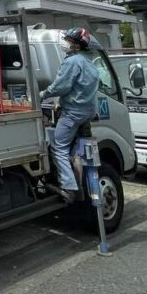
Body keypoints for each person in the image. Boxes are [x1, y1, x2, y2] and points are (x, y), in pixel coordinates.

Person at [39, 27, 99, 202]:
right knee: (75, 149)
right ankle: (79, 182)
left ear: (75, 44)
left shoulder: (71, 62)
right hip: (86, 112)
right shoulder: (88, 61)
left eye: (67, 39)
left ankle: (69, 187)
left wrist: (42, 95)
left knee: (58, 147)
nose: (63, 42)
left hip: (73, 113)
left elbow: (61, 86)